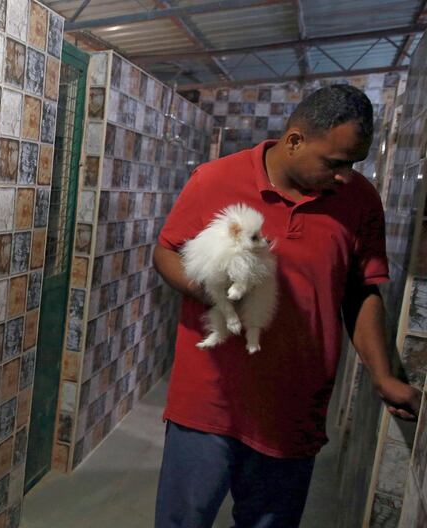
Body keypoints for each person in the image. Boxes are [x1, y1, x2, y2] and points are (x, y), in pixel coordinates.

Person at [152, 84, 422, 527]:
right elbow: (166, 252)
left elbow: (362, 292)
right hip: (207, 401)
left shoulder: (360, 202)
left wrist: (383, 375)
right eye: (335, 163)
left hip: (293, 408)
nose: (345, 176)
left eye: (354, 164)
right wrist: (212, 292)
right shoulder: (215, 179)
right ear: (294, 140)